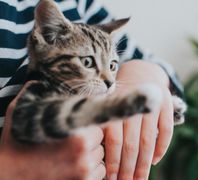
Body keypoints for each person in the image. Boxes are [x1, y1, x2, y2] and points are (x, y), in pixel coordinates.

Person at [0, 0, 184, 179]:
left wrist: (145, 72)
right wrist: (114, 108)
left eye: (112, 66)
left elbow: (160, 67)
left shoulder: (76, 3)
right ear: (48, 37)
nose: (109, 80)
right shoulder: (39, 89)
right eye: (88, 62)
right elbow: (36, 123)